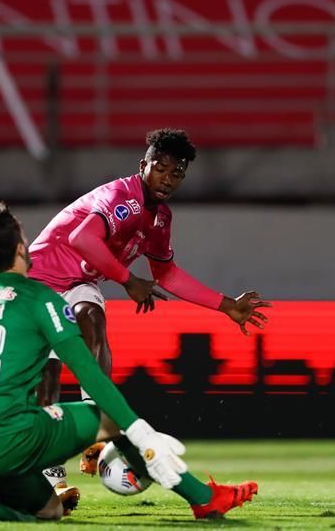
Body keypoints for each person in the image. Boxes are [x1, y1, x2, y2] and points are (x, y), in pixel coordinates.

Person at [0, 202, 257, 523]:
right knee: (109, 419)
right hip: (13, 440)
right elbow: (89, 375)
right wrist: (142, 435)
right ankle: (203, 498)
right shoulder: (40, 298)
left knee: (49, 511)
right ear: (18, 248)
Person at [27, 128, 272, 487]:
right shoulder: (121, 197)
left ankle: (96, 426)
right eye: (161, 168)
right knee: (48, 373)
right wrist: (128, 279)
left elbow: (166, 274)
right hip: (39, 284)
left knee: (92, 318)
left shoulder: (159, 218)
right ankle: (51, 473)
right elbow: (82, 238)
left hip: (80, 282)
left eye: (177, 174)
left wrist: (226, 306)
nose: (168, 179)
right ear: (144, 164)